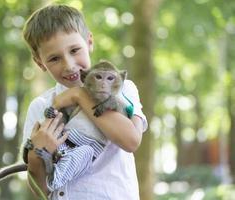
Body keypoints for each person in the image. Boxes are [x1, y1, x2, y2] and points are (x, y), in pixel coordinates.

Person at [22, 4, 148, 200]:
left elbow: (131, 140)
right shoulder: (41, 106)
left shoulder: (122, 87)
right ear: (40, 63)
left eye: (74, 50)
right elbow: (40, 191)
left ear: (89, 42)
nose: (69, 65)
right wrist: (37, 155)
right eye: (54, 58)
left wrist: (78, 95)